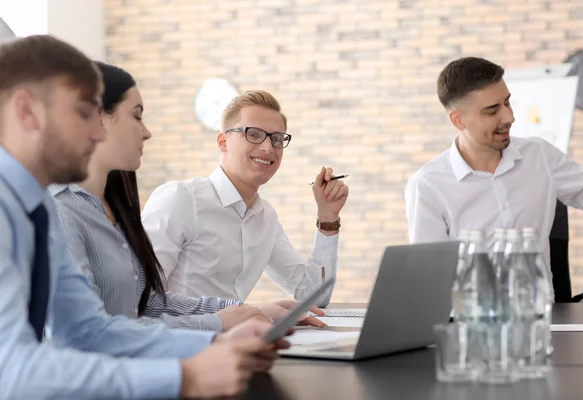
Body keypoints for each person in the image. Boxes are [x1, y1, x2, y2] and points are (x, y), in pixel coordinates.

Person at [0, 34, 288, 399]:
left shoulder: (40, 209)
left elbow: (90, 330)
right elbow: (9, 372)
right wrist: (184, 377)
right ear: (27, 112)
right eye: (84, 112)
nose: (96, 130)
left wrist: (216, 340)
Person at [49, 62, 326, 332]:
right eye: (137, 116)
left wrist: (247, 312)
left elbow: (147, 301)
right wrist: (221, 321)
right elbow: (93, 329)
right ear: (99, 119)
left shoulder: (113, 210)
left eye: (277, 139)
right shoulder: (64, 210)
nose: (147, 132)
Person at [142, 90, 349, 306]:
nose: (268, 147)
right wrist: (245, 314)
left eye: (277, 139)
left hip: (235, 338)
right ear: (223, 142)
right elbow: (143, 299)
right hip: (181, 338)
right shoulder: (180, 199)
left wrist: (328, 217)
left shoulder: (265, 218)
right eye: (254, 134)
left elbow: (315, 296)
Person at [405, 56, 583, 268]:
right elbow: (430, 273)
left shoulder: (539, 155)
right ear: (458, 120)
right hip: (471, 301)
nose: (509, 117)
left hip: (537, 301)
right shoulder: (427, 186)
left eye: (507, 102)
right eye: (492, 110)